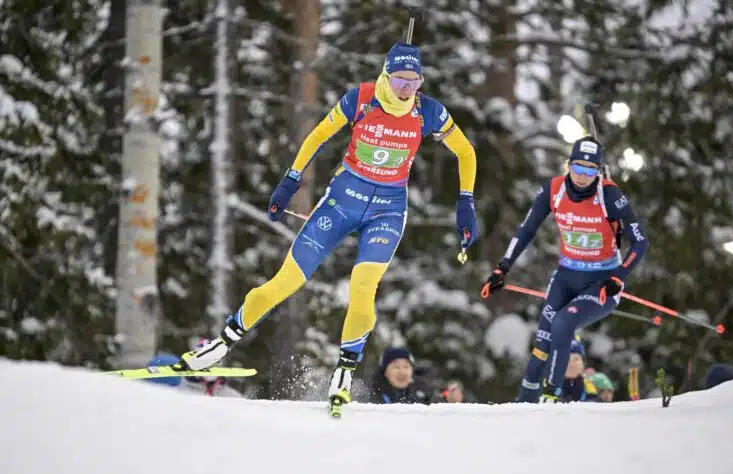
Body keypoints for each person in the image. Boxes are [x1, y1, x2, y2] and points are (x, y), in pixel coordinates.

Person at [179, 42, 479, 415]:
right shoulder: (363, 99)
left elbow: (466, 151)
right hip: (341, 201)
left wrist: (465, 201)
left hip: (387, 211)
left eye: (413, 81)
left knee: (362, 288)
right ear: (387, 75)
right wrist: (291, 178)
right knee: (286, 280)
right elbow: (319, 134)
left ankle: (344, 372)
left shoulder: (428, 111)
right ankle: (221, 343)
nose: (406, 88)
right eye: (400, 79)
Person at [482, 136, 649, 403]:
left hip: (602, 282)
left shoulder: (610, 195)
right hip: (565, 276)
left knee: (563, 323)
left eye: (590, 170)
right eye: (578, 168)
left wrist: (619, 277)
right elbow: (527, 229)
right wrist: (503, 268)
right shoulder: (553, 190)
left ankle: (552, 397)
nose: (583, 176)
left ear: (598, 171)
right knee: (544, 340)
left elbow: (640, 242)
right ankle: (523, 403)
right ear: (568, 165)